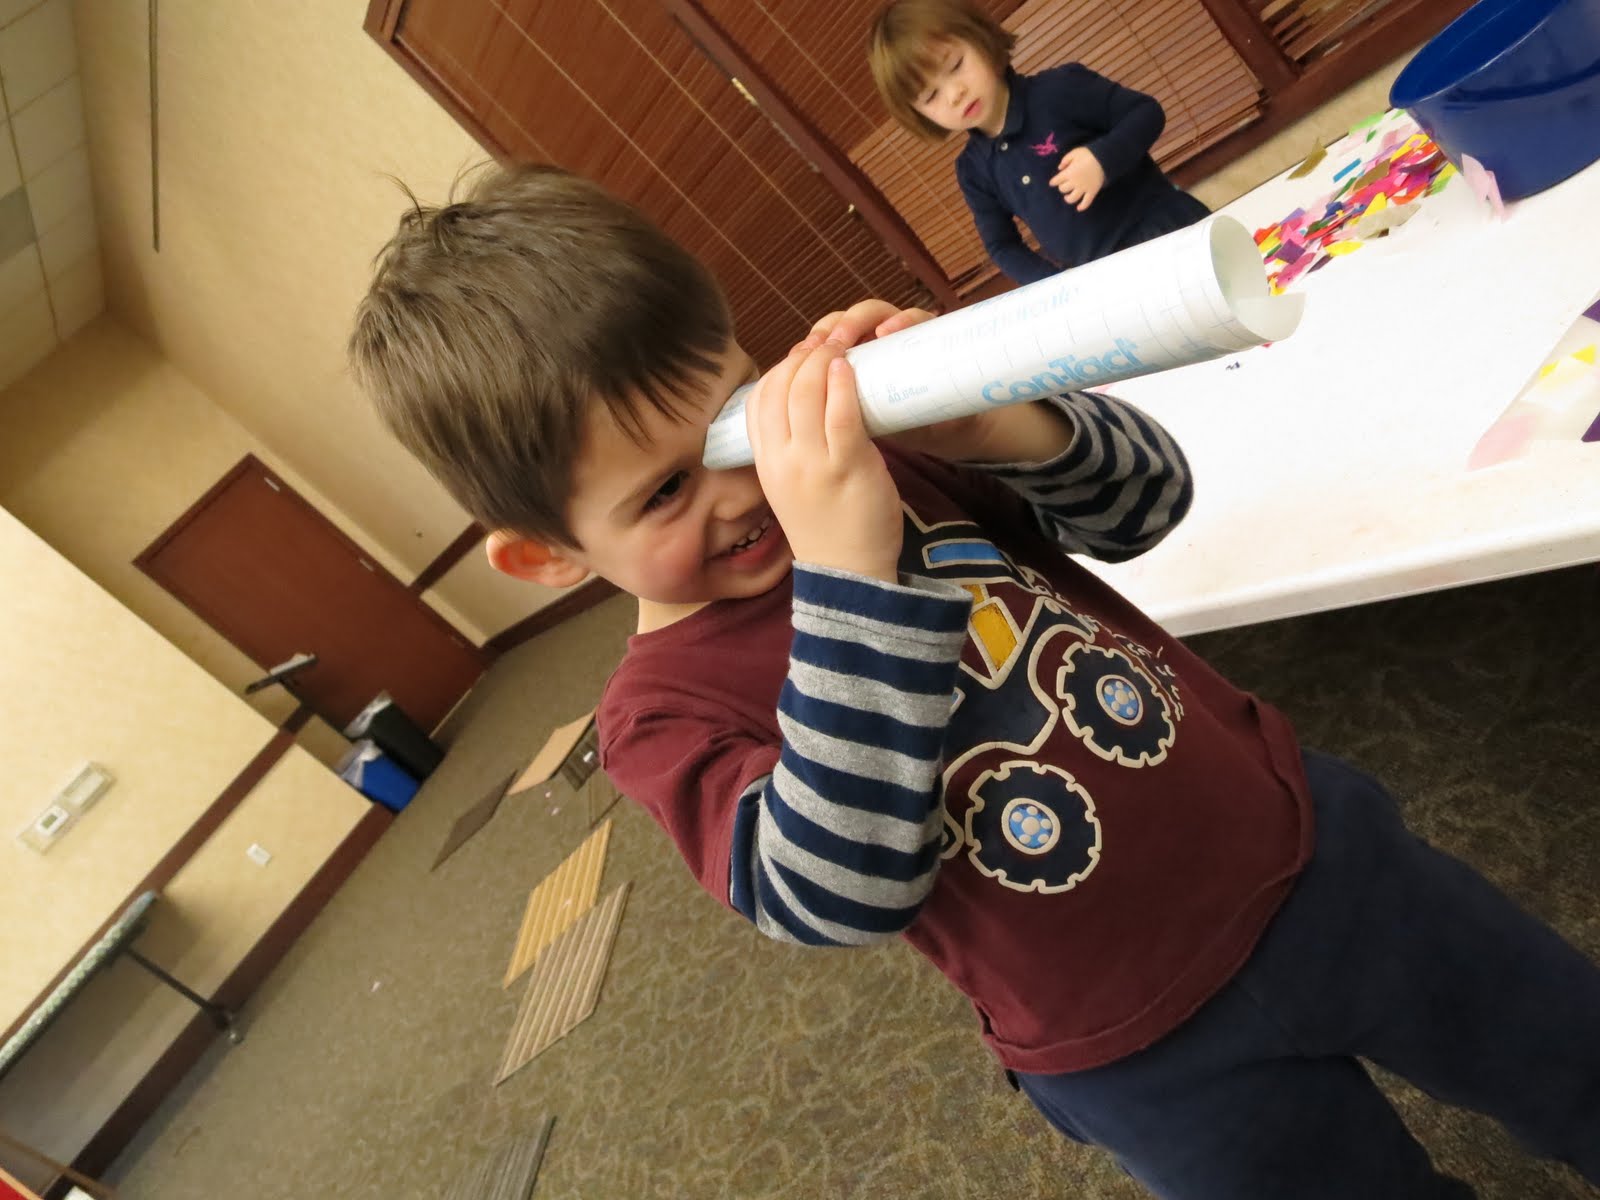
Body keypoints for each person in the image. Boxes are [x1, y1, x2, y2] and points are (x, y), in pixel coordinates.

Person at [349, 163, 1600, 1199]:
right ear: (550, 555)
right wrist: (847, 566)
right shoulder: (658, 715)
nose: (744, 489)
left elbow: (1147, 505)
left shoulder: (888, 471)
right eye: (665, 491)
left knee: (1568, 1052)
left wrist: (995, 421)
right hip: (1143, 1050)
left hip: (1320, 860)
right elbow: (829, 892)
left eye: (735, 416)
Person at [870, 0, 1211, 285]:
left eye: (956, 65)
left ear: (980, 38)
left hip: (1166, 233)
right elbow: (1002, 245)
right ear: (920, 114)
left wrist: (1101, 161)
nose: (954, 94)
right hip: (1103, 280)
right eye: (931, 96)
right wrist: (1056, 286)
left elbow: (1145, 113)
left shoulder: (1059, 90)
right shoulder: (973, 171)